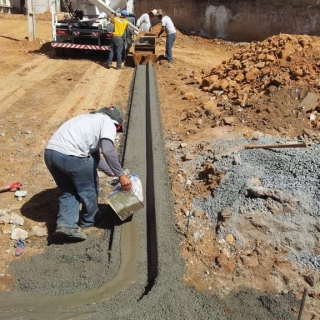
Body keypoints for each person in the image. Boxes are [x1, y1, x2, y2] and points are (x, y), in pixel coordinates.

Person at [44, 106, 132, 241]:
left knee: (69, 191)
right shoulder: (108, 122)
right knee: (89, 189)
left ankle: (66, 225)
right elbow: (108, 150)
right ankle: (88, 220)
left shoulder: (87, 120)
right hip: (71, 156)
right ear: (118, 124)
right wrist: (121, 174)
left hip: (51, 154)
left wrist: (111, 172)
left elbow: (95, 156)